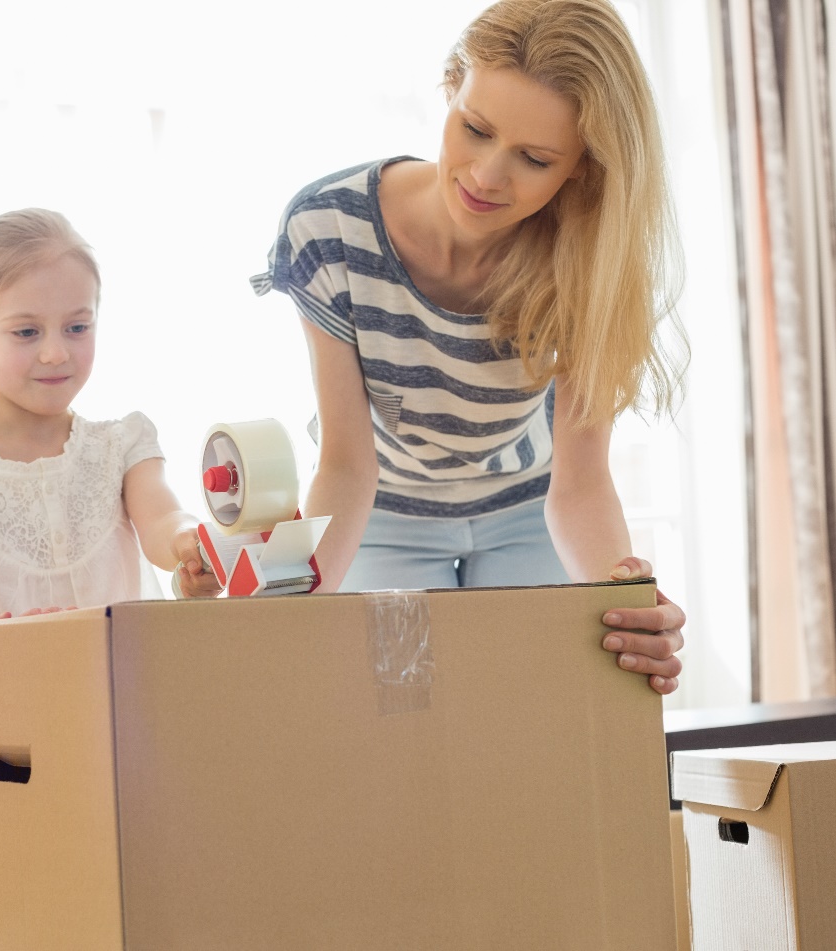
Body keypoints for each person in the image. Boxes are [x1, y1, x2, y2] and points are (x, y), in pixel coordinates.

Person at [253, 0, 687, 694]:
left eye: (534, 158)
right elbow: (344, 465)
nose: (486, 175)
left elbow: (578, 485)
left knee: (537, 714)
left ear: (580, 168)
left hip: (528, 502)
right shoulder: (329, 226)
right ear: (450, 85)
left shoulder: (586, 258)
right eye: (475, 129)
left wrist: (625, 602)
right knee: (397, 719)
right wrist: (284, 609)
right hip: (385, 508)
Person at [0, 209, 219, 821]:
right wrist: (12, 651)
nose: (54, 352)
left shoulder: (121, 442)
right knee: (21, 898)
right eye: (25, 332)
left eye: (77, 326)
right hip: (3, 732)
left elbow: (163, 522)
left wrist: (192, 549)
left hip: (121, 723)